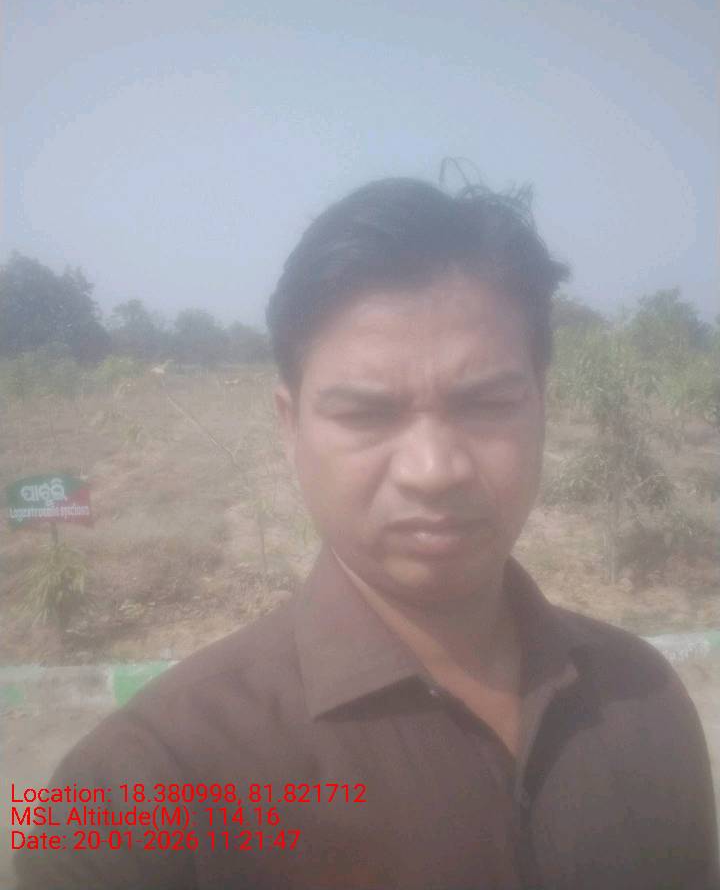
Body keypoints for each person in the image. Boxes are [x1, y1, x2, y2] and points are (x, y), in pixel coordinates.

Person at [15, 177, 718, 890]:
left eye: (486, 404)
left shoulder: (644, 699)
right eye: (368, 414)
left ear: (542, 406)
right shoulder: (139, 791)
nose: (434, 470)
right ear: (290, 427)